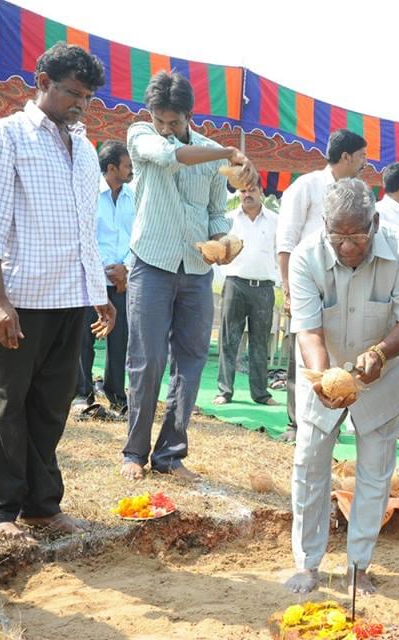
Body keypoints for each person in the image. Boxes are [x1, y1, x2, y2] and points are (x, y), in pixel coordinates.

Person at [0, 44, 115, 540]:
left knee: (51, 405)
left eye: (88, 97)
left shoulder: (86, 148)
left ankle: (40, 505)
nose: (81, 105)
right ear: (43, 81)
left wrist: (98, 293)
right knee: (9, 403)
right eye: (73, 93)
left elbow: (84, 229)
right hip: (22, 297)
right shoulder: (5, 135)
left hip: (70, 298)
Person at [283, 178, 399, 595]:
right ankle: (307, 565)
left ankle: (358, 566)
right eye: (338, 237)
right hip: (320, 368)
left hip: (384, 370)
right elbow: (308, 330)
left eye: (357, 237)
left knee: (376, 472)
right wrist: (325, 378)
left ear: (375, 222)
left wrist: (380, 354)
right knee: (309, 464)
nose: (347, 247)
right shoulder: (307, 255)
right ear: (325, 225)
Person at [121, 71, 255, 481]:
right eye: (160, 120)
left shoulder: (212, 153)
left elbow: (216, 211)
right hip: (151, 264)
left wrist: (223, 243)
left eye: (174, 123)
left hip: (196, 271)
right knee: (147, 362)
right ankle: (134, 453)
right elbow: (169, 155)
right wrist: (228, 152)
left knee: (192, 362)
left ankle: (171, 455)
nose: (166, 129)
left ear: (188, 116)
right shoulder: (141, 135)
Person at [276, 129, 368, 442]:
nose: (365, 163)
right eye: (362, 156)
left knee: (342, 346)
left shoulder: (358, 193)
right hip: (307, 280)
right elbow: (286, 240)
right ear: (346, 157)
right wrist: (288, 288)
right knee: (303, 350)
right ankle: (296, 423)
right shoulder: (307, 187)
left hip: (345, 281)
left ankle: (340, 418)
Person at [74, 141, 135, 415]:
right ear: (112, 168)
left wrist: (126, 268)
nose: (132, 170)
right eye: (128, 166)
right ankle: (81, 393)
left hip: (123, 281)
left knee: (120, 339)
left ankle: (116, 393)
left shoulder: (133, 197)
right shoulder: (88, 194)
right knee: (85, 337)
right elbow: (82, 235)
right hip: (90, 278)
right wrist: (100, 271)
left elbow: (140, 237)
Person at [213, 181, 279, 407]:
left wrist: (278, 281)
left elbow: (281, 253)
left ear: (262, 192)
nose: (247, 194)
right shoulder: (229, 220)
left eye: (252, 190)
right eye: (243, 190)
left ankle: (261, 393)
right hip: (235, 284)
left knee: (260, 341)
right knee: (229, 339)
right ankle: (224, 391)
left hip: (264, 287)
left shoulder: (275, 221)